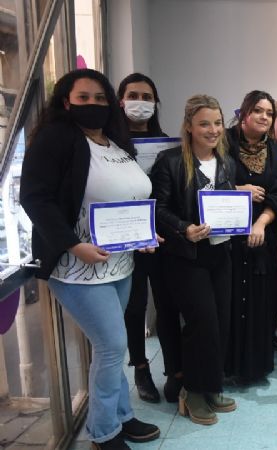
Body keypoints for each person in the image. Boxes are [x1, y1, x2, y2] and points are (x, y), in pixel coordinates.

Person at [20, 68, 160, 448]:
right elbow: (34, 198)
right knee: (112, 346)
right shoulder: (56, 138)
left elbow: (131, 197)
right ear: (66, 102)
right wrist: (72, 244)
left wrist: (145, 234)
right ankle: (103, 431)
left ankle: (122, 415)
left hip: (120, 263)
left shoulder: (115, 141)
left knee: (112, 347)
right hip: (77, 267)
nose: (93, 105)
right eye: (83, 98)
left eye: (100, 98)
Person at [150, 94, 237, 425]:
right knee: (202, 325)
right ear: (188, 126)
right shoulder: (170, 161)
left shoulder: (226, 162)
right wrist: (184, 228)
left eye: (217, 123)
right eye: (204, 124)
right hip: (186, 257)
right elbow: (158, 208)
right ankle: (193, 392)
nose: (213, 130)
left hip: (220, 253)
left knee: (221, 323)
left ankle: (211, 386)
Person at [116, 72, 181, 404]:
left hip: (163, 236)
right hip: (128, 236)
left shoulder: (167, 144)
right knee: (135, 304)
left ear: (155, 103)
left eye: (146, 97)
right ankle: (141, 368)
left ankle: (174, 371)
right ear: (120, 101)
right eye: (133, 96)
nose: (139, 103)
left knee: (167, 303)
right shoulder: (109, 144)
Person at [224, 90, 277, 384]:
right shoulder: (224, 143)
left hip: (261, 237)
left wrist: (261, 223)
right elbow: (207, 183)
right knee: (229, 302)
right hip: (226, 238)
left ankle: (253, 368)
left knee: (259, 303)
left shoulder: (275, 152)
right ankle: (226, 366)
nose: (264, 117)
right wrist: (237, 191)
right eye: (258, 111)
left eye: (269, 113)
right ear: (244, 113)